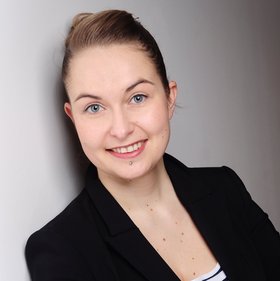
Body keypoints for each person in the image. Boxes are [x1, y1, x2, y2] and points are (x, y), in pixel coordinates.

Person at [25, 9, 280, 281]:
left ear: (169, 98)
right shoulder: (61, 249)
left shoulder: (225, 190)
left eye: (137, 97)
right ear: (73, 118)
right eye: (94, 107)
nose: (121, 129)